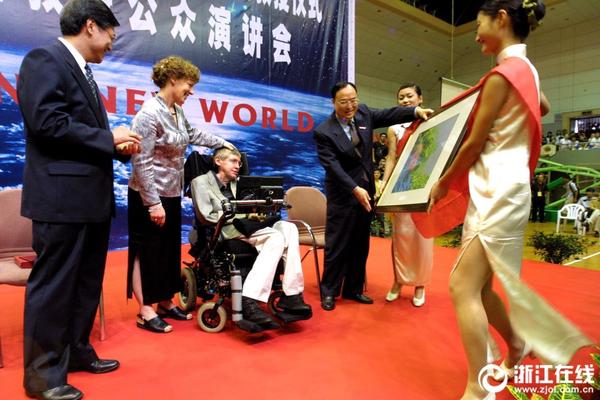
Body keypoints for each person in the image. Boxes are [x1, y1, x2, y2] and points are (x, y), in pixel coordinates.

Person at [427, 1, 591, 399]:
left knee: (461, 287)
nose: (476, 35)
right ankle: (516, 344)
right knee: (481, 288)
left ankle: (477, 385)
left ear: (501, 18)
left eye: (479, 25)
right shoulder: (526, 70)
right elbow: (544, 106)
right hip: (507, 186)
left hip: (497, 189)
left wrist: (443, 182)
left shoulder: (503, 75)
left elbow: (473, 143)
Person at [16, 1, 142, 399]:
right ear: (91, 26)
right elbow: (46, 123)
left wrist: (117, 147)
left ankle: (75, 351)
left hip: (90, 200)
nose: (111, 45)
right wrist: (107, 138)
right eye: (110, 35)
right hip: (61, 200)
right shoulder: (45, 60)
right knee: (55, 287)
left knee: (85, 283)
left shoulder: (83, 72)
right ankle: (42, 376)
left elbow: (80, 133)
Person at [128, 56, 234, 333]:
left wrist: (223, 143)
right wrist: (153, 203)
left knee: (167, 251)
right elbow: (141, 162)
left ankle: (165, 301)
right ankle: (146, 310)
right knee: (147, 251)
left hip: (172, 191)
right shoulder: (149, 114)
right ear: (172, 80)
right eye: (189, 85)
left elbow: (191, 134)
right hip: (148, 195)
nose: (192, 91)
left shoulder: (176, 110)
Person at [313, 82, 432, 311]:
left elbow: (390, 114)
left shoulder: (364, 114)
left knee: (360, 244)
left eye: (353, 100)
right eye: (344, 102)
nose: (350, 106)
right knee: (337, 245)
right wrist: (353, 188)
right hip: (343, 194)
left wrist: (416, 111)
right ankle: (329, 292)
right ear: (333, 102)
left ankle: (354, 289)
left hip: (367, 191)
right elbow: (332, 166)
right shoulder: (324, 131)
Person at [191, 147, 312, 326]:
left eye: (240, 163)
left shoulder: (241, 183)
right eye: (233, 161)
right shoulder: (200, 182)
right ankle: (249, 299)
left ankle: (292, 295)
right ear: (218, 161)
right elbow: (206, 216)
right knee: (276, 238)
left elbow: (252, 207)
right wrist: (244, 214)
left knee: (289, 229)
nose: (238, 166)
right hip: (226, 229)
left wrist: (261, 209)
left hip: (250, 225)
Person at [382, 83, 433, 306]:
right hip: (401, 187)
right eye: (401, 97)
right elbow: (391, 157)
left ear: (420, 99)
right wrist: (384, 184)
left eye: (409, 96)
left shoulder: (431, 121)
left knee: (422, 238)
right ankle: (398, 281)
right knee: (401, 236)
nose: (405, 100)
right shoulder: (394, 128)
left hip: (424, 185)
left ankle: (420, 284)